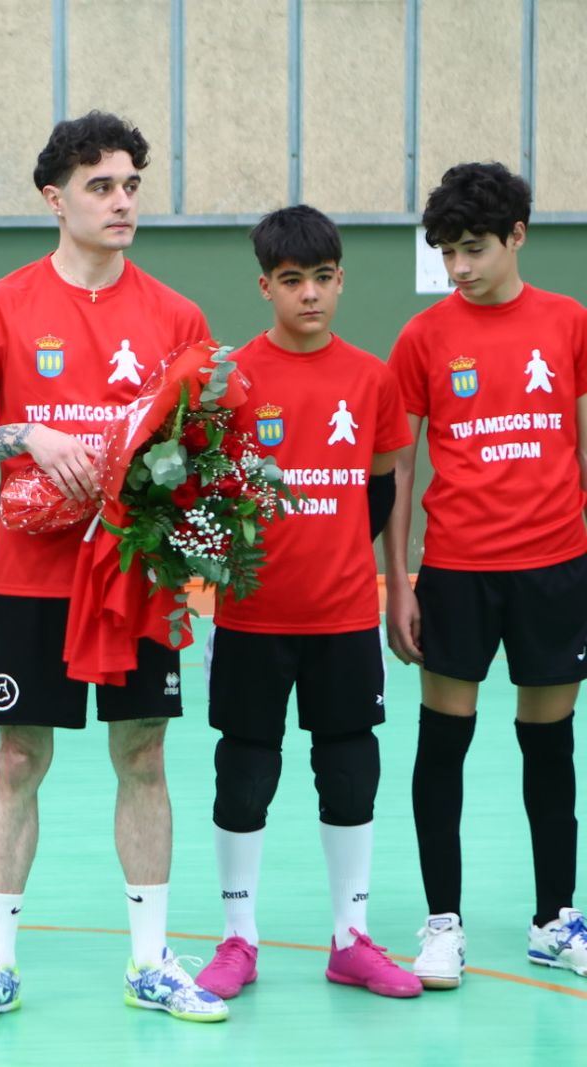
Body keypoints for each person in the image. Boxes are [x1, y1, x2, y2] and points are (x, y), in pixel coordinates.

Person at [0, 110, 227, 1026]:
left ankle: (150, 959)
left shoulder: (177, 316)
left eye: (132, 183)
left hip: (135, 577)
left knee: (144, 753)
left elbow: (202, 450)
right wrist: (26, 432)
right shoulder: (1, 304)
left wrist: (162, 485)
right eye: (101, 186)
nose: (122, 200)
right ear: (55, 198)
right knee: (20, 756)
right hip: (32, 577)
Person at [191, 206, 420, 1002]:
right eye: (293, 281)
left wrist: (387, 583)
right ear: (265, 286)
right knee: (245, 772)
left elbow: (382, 484)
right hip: (252, 617)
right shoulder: (231, 379)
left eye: (323, 279)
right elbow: (204, 492)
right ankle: (237, 937)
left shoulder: (372, 376)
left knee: (350, 768)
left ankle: (349, 937)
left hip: (345, 616)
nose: (311, 295)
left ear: (341, 279)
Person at [384, 161, 587, 989]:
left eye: (473, 249)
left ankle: (554, 917)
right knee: (445, 741)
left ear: (517, 236)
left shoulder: (569, 323)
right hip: (459, 568)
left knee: (550, 744)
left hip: (556, 565)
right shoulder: (424, 338)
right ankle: (443, 923)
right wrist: (398, 580)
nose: (460, 268)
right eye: (447, 253)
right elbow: (399, 468)